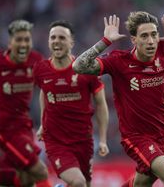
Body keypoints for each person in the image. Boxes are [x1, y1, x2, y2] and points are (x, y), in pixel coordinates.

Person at [73, 11, 164, 187]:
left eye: (154, 35)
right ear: (134, 39)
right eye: (144, 36)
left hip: (162, 134)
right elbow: (79, 66)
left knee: (141, 184)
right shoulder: (119, 61)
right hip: (136, 137)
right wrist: (105, 41)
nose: (150, 41)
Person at [0, 20, 51, 187]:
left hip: (25, 127)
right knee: (41, 172)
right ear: (9, 42)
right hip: (5, 130)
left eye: (27, 40)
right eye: (18, 40)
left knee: (26, 180)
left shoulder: (35, 60)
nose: (23, 44)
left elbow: (49, 86)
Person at [34, 20, 109, 187]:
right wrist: (41, 123)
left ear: (71, 42)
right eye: (53, 37)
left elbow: (101, 104)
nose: (56, 41)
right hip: (56, 141)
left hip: (83, 140)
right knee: (78, 182)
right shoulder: (41, 69)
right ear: (48, 41)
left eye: (62, 37)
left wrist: (103, 139)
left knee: (85, 184)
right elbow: (44, 92)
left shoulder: (85, 70)